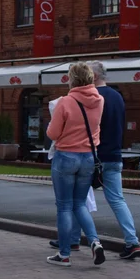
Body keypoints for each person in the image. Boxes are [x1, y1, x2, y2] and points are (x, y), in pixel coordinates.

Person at [55, 62, 140, 260]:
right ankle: (132, 241)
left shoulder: (92, 98)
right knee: (117, 200)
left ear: (92, 76)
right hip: (114, 155)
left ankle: (71, 239)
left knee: (78, 199)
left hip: (92, 156)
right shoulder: (117, 96)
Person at [45, 62, 105, 267]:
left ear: (72, 79)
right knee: (80, 204)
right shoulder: (100, 100)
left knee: (64, 206)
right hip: (89, 156)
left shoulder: (65, 102)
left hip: (66, 156)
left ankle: (64, 254)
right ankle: (95, 241)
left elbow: (52, 133)